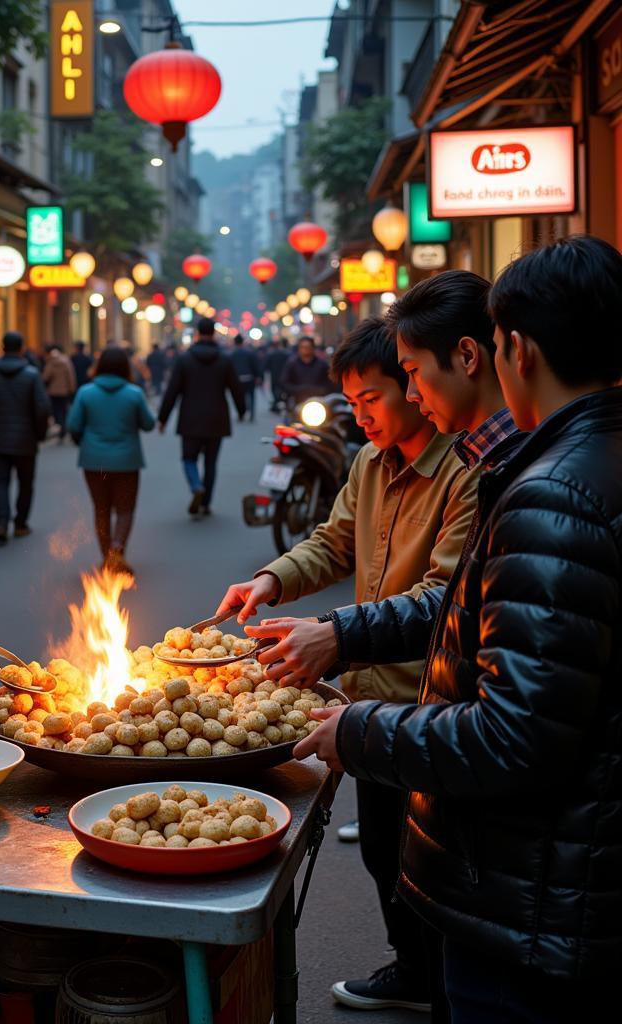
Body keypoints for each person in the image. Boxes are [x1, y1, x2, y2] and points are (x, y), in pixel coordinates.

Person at [288, 235, 622, 1021]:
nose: (405, 394)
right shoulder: (575, 461)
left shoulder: (553, 491)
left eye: (407, 375)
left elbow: (517, 735)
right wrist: (342, 631)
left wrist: (359, 729)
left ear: (507, 350)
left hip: (538, 904)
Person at [217, 317, 478, 1017]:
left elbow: (439, 599)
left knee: (427, 864)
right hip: (368, 701)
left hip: (432, 704)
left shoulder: (465, 474)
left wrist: (333, 633)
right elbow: (333, 543)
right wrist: (270, 580)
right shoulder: (368, 463)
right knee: (383, 853)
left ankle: (432, 976)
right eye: (351, 403)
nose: (359, 415)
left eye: (373, 398)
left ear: (415, 387)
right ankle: (414, 971)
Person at [67, 346, 155, 576]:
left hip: (93, 460)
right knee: (125, 510)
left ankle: (107, 555)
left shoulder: (86, 392)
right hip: (127, 460)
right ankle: (118, 550)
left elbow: (74, 425)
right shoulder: (133, 393)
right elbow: (148, 423)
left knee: (101, 509)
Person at [158, 316, 245, 517]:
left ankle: (196, 485)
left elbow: (172, 391)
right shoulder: (224, 359)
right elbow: (236, 388)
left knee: (189, 458)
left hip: (190, 418)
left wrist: (163, 419)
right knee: (211, 463)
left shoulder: (184, 360)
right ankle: (205, 503)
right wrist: (242, 411)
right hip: (217, 418)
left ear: (197, 333)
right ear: (213, 332)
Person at [0, 330, 51, 544]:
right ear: (22, 349)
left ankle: (1, 522)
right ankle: (20, 524)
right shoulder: (31, 375)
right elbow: (42, 408)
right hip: (26, 440)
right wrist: (40, 434)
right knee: (25, 483)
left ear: (3, 348)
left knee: (1, 481)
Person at [280, 335, 332, 406]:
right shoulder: (292, 364)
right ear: (299, 348)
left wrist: (319, 390)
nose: (305, 349)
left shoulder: (322, 365)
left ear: (313, 348)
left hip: (319, 402)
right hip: (297, 402)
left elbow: (330, 382)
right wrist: (299, 390)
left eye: (308, 347)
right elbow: (284, 383)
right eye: (303, 347)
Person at [41, 343, 77, 443]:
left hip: (53, 391)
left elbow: (45, 377)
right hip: (64, 391)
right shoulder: (66, 361)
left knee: (56, 410)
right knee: (64, 409)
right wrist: (72, 388)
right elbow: (71, 376)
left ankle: (61, 426)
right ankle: (64, 426)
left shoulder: (50, 362)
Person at [229, 333, 262, 420]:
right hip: (249, 378)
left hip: (237, 379)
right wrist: (258, 376)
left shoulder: (232, 354)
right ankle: (251, 414)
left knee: (239, 398)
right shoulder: (250, 353)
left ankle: (241, 414)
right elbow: (255, 365)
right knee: (251, 396)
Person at [265, 338, 291, 412]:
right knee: (282, 390)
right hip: (284, 376)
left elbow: (266, 366)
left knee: (275, 390)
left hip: (274, 376)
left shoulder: (271, 354)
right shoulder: (286, 354)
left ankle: (277, 404)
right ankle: (279, 403)